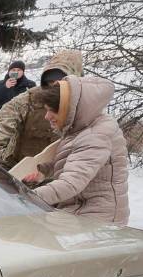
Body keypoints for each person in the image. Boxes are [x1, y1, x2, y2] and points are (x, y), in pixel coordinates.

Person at [22, 75, 129, 223]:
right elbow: (75, 160)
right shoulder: (80, 127)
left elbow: (70, 184)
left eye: (52, 111)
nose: (47, 117)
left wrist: (24, 198)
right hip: (80, 210)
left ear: (69, 109)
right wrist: (44, 170)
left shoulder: (96, 135)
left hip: (96, 220)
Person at [0, 50, 83, 168]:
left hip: (53, 172)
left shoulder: (82, 105)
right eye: (49, 81)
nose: (53, 85)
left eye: (59, 81)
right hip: (15, 165)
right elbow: (6, 119)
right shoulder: (31, 97)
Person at [0, 59, 35, 129]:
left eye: (19, 70)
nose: (16, 72)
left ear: (23, 72)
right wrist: (5, 87)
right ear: (9, 71)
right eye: (13, 70)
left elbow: (34, 104)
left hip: (19, 124)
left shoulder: (30, 85)